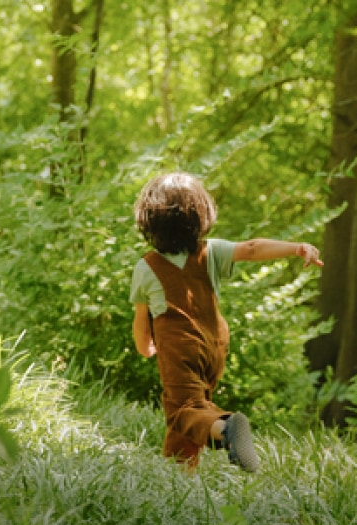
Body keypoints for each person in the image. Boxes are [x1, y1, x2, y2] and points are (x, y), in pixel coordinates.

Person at [129, 171, 323, 472]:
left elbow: (142, 324)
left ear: (149, 220)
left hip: (179, 348)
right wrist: (295, 248)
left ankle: (226, 428)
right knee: (195, 407)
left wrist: (145, 347)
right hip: (214, 345)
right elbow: (253, 248)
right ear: (200, 216)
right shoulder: (211, 252)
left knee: (183, 409)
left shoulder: (147, 267)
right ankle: (180, 478)